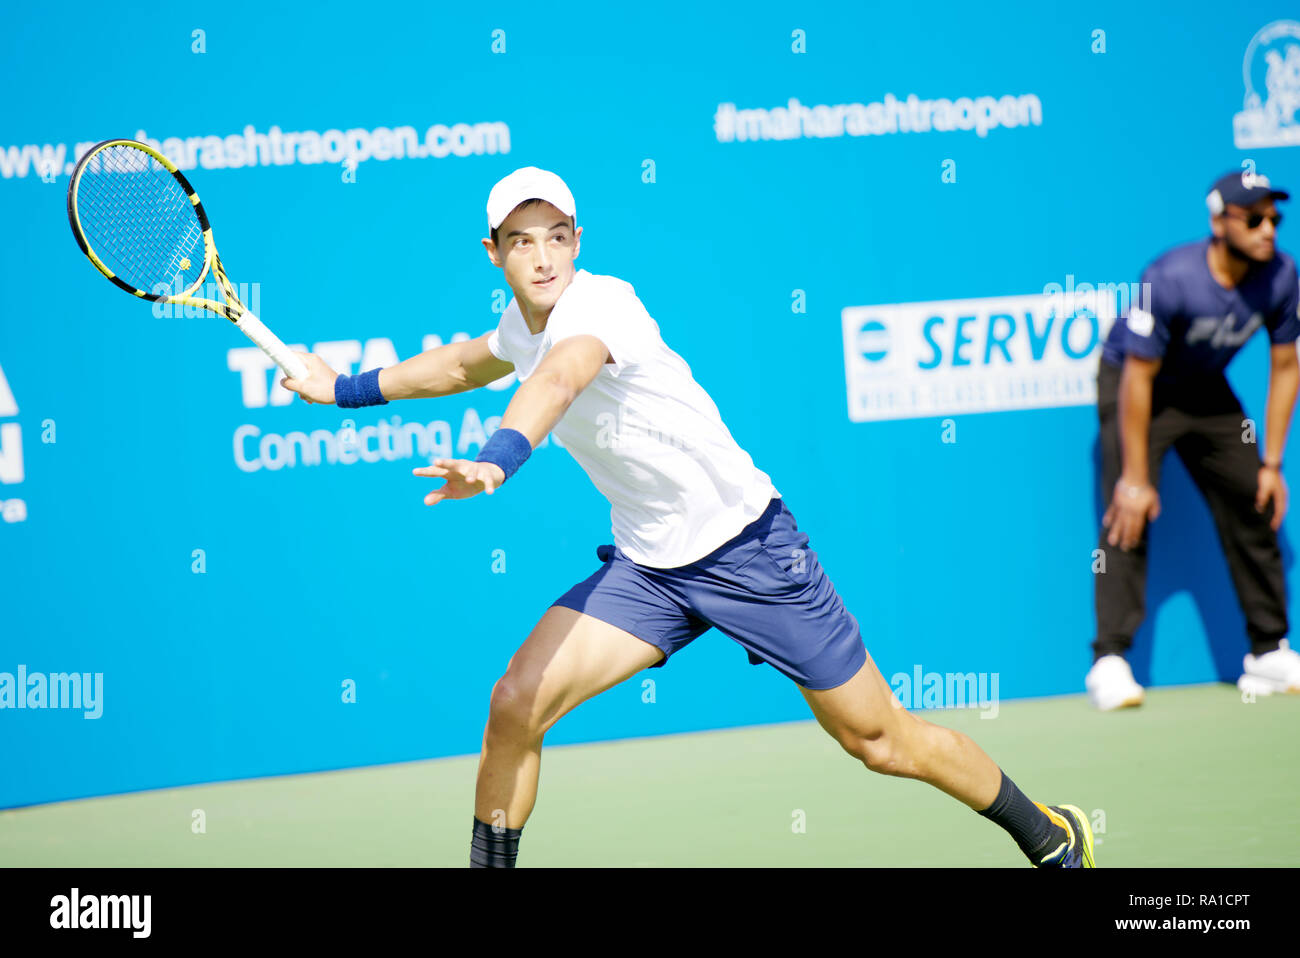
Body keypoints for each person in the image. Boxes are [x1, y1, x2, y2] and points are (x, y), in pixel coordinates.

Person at [282, 166, 1094, 867]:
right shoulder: (518, 327)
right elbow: (462, 362)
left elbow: (559, 380)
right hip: (649, 569)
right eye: (520, 240)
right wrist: (340, 389)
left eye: (555, 235)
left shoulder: (604, 307)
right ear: (493, 252)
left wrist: (499, 457)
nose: (541, 255)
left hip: (748, 549)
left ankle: (1050, 836)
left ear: (577, 240)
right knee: (514, 701)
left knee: (878, 742)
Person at [1088, 170, 1300, 710]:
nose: (1268, 229)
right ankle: (1109, 661)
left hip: (1205, 388)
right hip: (1139, 385)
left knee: (1254, 495)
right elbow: (1137, 377)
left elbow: (1285, 366)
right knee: (1128, 509)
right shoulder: (1170, 277)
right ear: (1218, 222)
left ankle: (1268, 650)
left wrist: (1272, 464)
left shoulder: (1280, 277)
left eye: (1275, 218)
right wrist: (1135, 478)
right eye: (1254, 218)